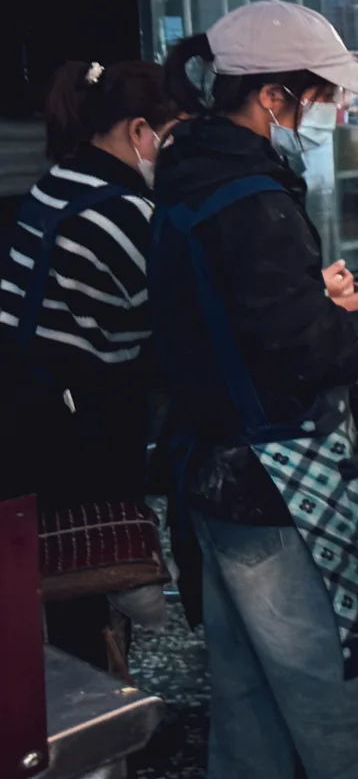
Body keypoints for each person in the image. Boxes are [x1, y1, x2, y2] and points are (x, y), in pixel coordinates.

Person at [150, 0, 358, 779]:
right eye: (321, 96)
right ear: (274, 96)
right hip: (275, 481)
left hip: (211, 470)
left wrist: (332, 301)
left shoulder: (191, 169)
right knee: (338, 688)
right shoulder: (250, 198)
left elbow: (228, 311)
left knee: (248, 689)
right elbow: (305, 353)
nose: (332, 113)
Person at [0, 60, 182, 669]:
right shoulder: (127, 211)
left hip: (28, 401)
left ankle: (76, 700)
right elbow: (177, 317)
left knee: (49, 575)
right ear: (139, 131)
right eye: (173, 132)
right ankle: (98, 722)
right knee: (85, 574)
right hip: (71, 419)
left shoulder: (62, 179)